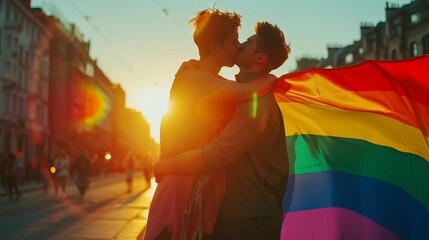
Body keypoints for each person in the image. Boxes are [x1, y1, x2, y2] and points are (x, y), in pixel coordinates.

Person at [145, 8, 278, 240]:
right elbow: (249, 90)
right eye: (234, 40)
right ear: (215, 47)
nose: (238, 46)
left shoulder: (207, 79)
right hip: (179, 193)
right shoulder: (195, 80)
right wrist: (272, 78)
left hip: (200, 195)